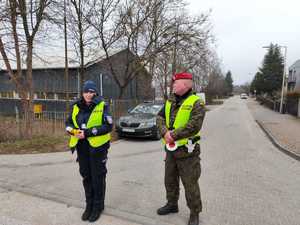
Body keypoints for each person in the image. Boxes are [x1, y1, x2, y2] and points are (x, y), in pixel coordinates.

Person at [156, 72, 206, 225]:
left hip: (188, 152)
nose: (173, 86)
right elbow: (159, 117)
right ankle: (172, 205)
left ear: (185, 84)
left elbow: (194, 125)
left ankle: (194, 213)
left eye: (175, 83)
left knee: (190, 184)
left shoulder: (197, 102)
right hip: (171, 151)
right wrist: (165, 132)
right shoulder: (170, 101)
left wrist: (173, 135)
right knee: (169, 180)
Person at [65, 80, 113, 222]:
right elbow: (68, 123)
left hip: (98, 147)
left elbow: (108, 126)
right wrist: (73, 131)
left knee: (98, 176)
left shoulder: (102, 105)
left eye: (91, 91)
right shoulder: (75, 106)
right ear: (82, 92)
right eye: (86, 91)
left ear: (95, 92)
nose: (89, 94)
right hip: (82, 147)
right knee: (86, 176)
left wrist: (88, 133)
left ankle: (98, 206)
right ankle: (89, 205)